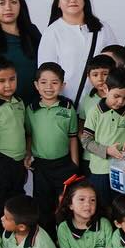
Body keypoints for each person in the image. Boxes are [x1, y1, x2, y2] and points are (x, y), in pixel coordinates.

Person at [39, 0, 115, 107]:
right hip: (65, 107)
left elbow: (116, 64)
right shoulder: (52, 32)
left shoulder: (103, 28)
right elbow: (46, 74)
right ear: (58, 2)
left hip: (102, 105)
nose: (72, 0)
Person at [0, 57, 34, 225]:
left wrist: (28, 152)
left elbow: (25, 132)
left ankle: (15, 239)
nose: (8, 85)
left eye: (12, 79)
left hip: (18, 163)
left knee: (17, 201)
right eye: (1, 81)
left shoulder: (19, 102)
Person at [27, 63, 81, 224]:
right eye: (43, 82)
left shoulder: (68, 107)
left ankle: (64, 240)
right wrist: (28, 154)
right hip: (41, 166)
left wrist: (74, 164)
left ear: (62, 85)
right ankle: (47, 240)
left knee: (64, 204)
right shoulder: (31, 109)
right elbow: (29, 135)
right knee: (43, 205)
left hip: (64, 165)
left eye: (54, 82)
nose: (49, 87)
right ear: (36, 85)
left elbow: (72, 137)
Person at [80, 67, 125, 208]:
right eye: (116, 96)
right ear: (105, 89)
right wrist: (107, 150)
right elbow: (86, 141)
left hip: (124, 169)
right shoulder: (95, 113)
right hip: (100, 170)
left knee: (123, 207)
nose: (120, 101)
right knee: (103, 208)